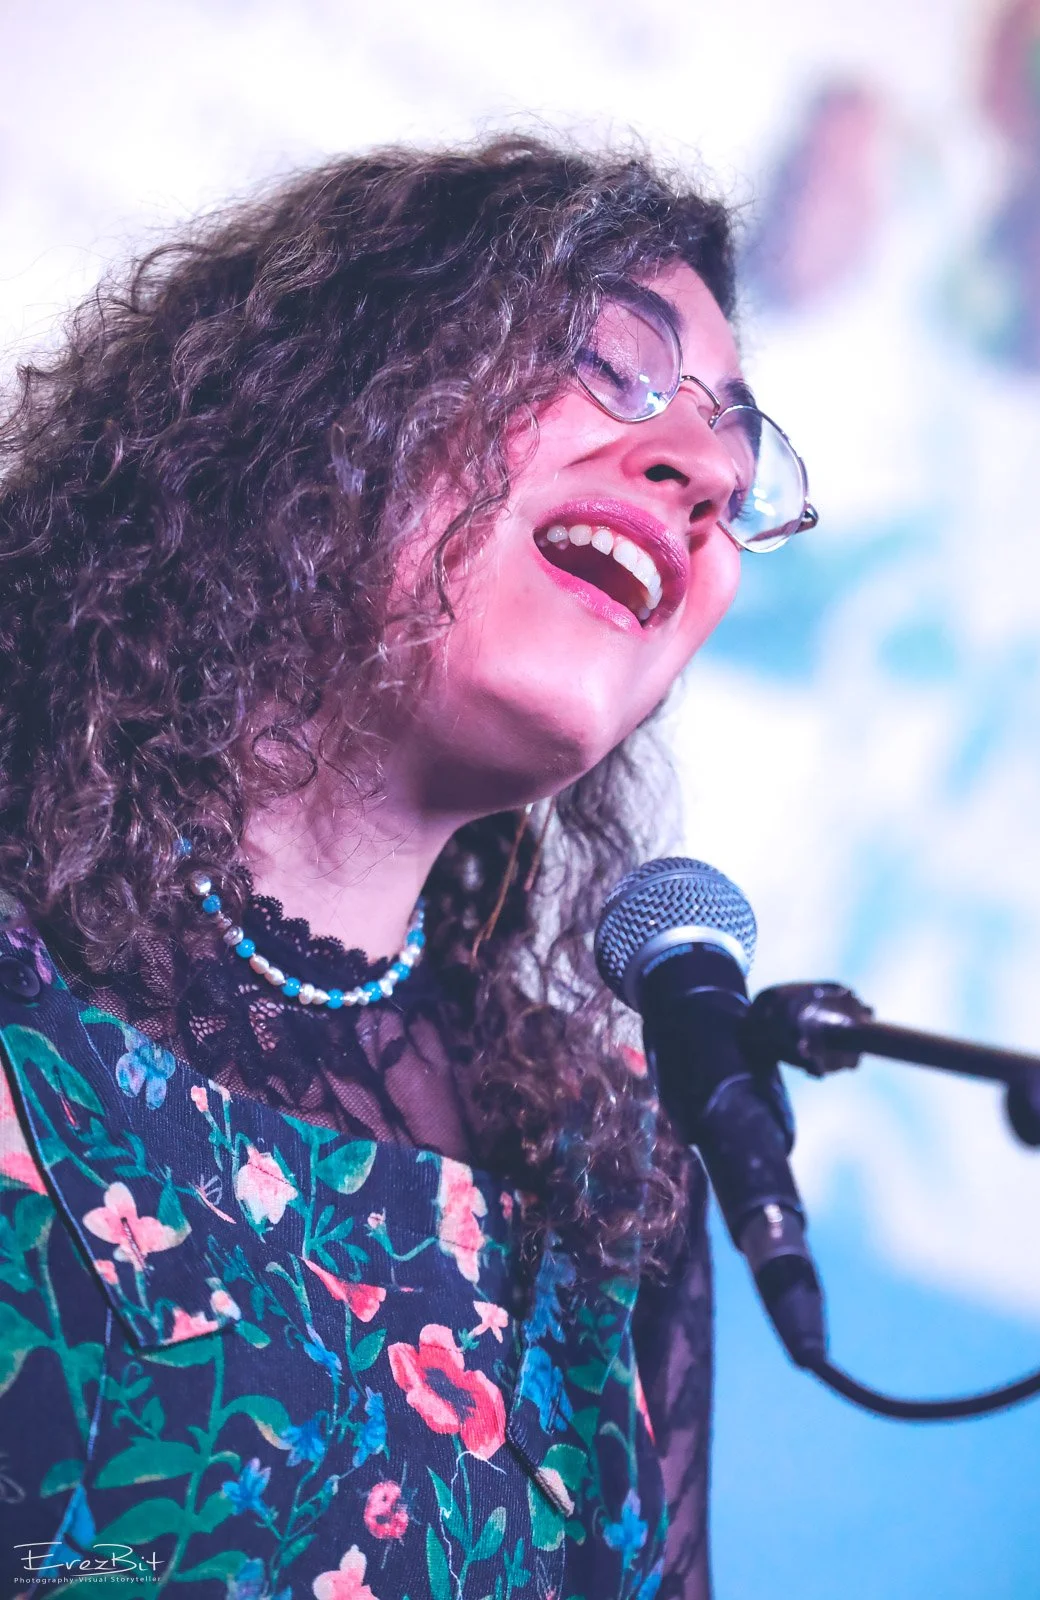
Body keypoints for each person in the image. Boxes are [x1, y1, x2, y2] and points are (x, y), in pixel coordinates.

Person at [0, 136, 815, 1600]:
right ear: (321, 399)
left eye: (741, 462)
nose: (704, 470)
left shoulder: (611, 1174)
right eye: (614, 360)